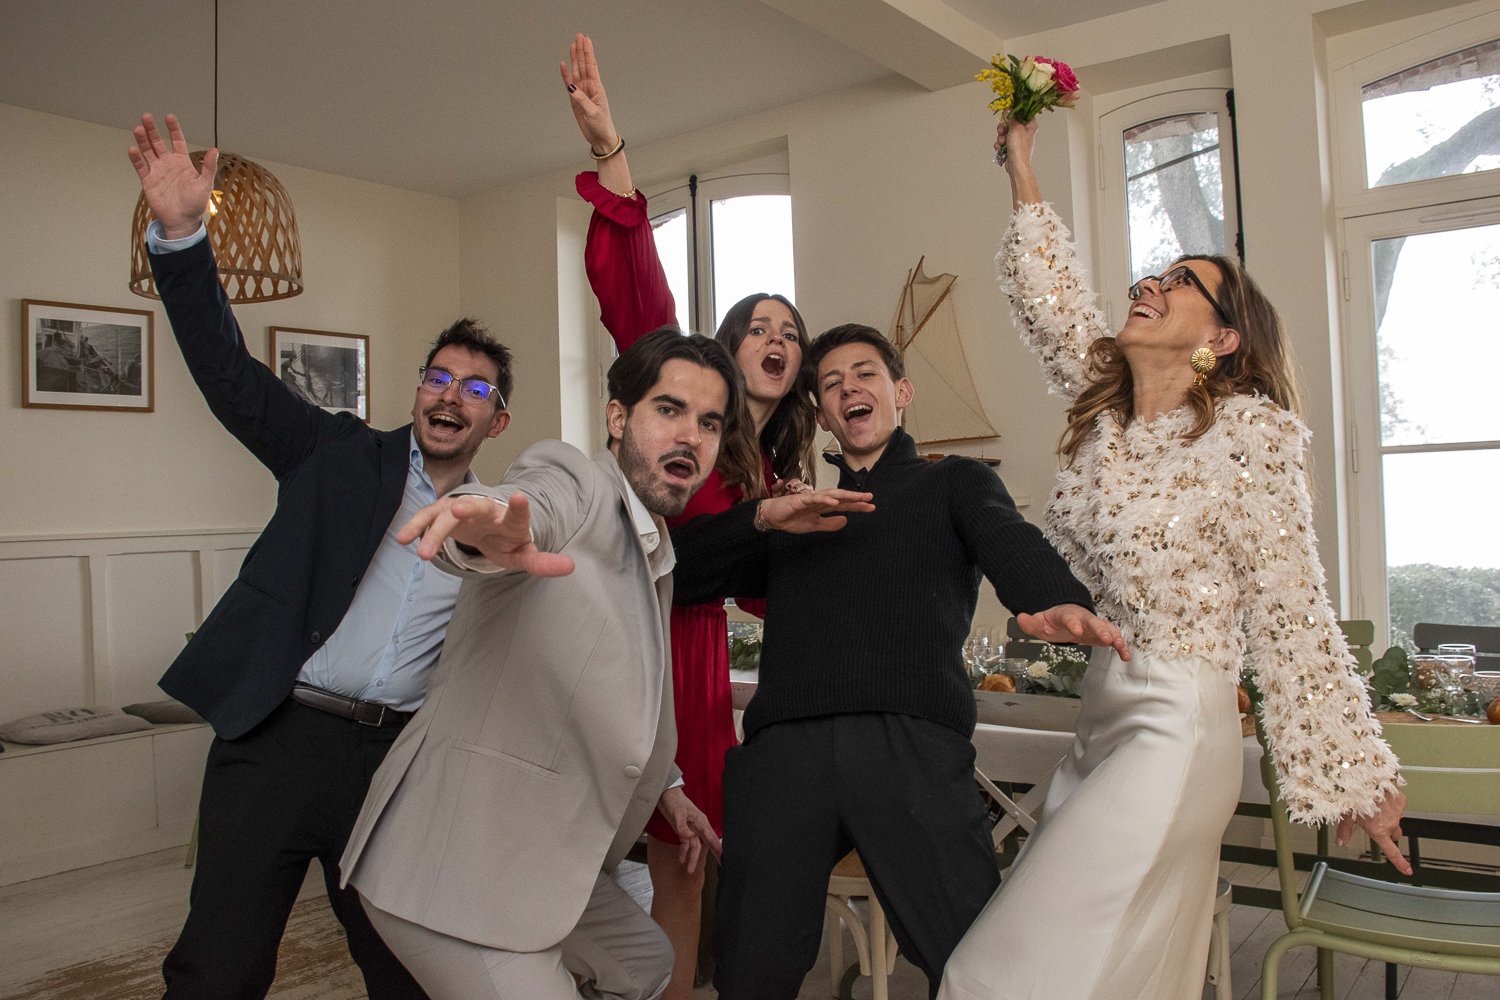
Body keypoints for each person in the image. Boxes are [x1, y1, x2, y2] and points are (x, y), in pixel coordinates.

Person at [937, 118, 1411, 1000]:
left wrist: (1359, 774)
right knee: (1115, 974)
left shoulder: (1250, 435)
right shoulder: (1106, 420)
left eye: (1184, 280)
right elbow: (1051, 301)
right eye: (1155, 273)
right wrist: (1021, 163)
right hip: (1101, 714)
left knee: (1004, 975)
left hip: (1176, 727)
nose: (1152, 282)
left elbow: (1291, 608)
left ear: (1223, 339)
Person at [339, 328, 874, 1000]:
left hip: (546, 859)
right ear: (618, 418)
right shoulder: (576, 480)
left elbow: (615, 688)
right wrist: (486, 524)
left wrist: (668, 788)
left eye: (710, 423)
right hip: (452, 864)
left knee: (648, 966)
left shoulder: (655, 550)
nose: (690, 437)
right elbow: (528, 506)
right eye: (669, 409)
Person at [127, 112, 513, 1000]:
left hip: (392, 766)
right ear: (418, 391)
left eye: (474, 388)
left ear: (496, 420)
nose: (449, 395)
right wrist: (180, 238)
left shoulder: (499, 526)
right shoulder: (333, 454)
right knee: (218, 969)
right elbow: (227, 372)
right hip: (277, 736)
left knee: (409, 972)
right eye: (437, 377)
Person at [667, 323, 1128, 1000]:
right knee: (750, 970)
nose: (848, 388)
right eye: (830, 383)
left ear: (901, 392)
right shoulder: (796, 510)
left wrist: (1056, 598)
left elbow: (1011, 542)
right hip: (784, 754)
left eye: (865, 374)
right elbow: (675, 572)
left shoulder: (954, 482)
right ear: (822, 415)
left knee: (974, 959)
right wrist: (763, 516)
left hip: (910, 745)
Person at [561, 33, 820, 997]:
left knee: (689, 858)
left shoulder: (773, 472)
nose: (777, 339)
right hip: (627, 631)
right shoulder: (682, 399)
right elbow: (642, 290)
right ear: (724, 349)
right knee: (571, 843)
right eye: (759, 327)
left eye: (791, 333)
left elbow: (762, 596)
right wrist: (609, 151)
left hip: (701, 663)